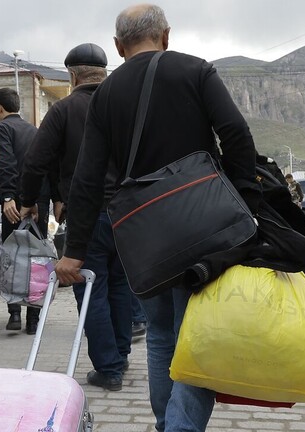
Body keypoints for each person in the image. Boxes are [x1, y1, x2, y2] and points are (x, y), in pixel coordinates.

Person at [54, 4, 260, 431]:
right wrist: (245, 204)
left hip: (144, 236)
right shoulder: (195, 71)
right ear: (166, 35)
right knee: (196, 339)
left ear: (118, 46)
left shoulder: (106, 94)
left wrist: (75, 251)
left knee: (162, 336)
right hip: (202, 226)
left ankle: (168, 423)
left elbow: (87, 177)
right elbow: (237, 134)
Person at [19, 43, 134, 391]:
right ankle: (122, 355)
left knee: (89, 290)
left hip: (89, 215)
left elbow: (35, 161)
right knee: (119, 286)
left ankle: (110, 368)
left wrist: (27, 201)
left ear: (71, 75)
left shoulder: (64, 110)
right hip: (130, 214)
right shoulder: (126, 108)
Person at [0, 87, 45, 335]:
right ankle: (34, 319)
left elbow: (7, 163)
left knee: (12, 256)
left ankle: (14, 314)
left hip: (15, 202)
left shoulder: (1, 128)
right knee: (37, 259)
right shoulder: (34, 130)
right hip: (37, 202)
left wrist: (9, 196)